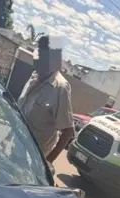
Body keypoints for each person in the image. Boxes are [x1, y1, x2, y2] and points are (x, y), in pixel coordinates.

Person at [18, 36, 75, 164]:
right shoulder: (34, 76)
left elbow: (68, 130)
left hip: (34, 160)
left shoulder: (60, 87)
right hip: (15, 147)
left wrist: (47, 163)